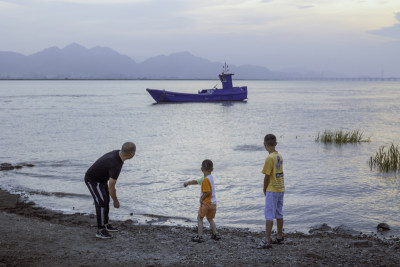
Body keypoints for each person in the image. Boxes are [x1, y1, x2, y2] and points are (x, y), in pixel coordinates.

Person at [84, 142, 136, 239]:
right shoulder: (115, 165)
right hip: (92, 180)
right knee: (101, 202)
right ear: (131, 154)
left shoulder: (118, 155)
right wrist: (116, 201)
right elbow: (111, 187)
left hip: (102, 179)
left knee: (106, 200)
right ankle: (100, 230)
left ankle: (106, 224)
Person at [256, 134, 285, 249]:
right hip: (280, 187)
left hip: (272, 189)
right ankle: (279, 236)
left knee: (269, 214)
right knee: (279, 213)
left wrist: (264, 189)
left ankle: (267, 239)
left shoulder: (269, 158)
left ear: (264, 145)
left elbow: (267, 176)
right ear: (276, 144)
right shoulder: (279, 156)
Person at [183, 159, 221, 243]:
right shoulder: (209, 178)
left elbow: (207, 192)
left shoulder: (205, 180)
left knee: (199, 218)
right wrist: (187, 183)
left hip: (206, 203)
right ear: (212, 169)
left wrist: (201, 199)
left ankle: (200, 237)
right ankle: (216, 234)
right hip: (213, 203)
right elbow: (196, 181)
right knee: (210, 218)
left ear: (201, 169)